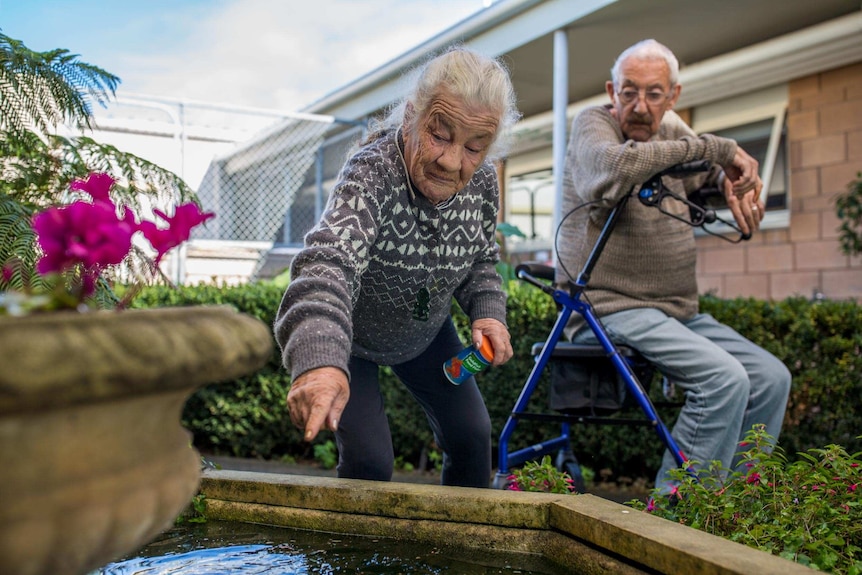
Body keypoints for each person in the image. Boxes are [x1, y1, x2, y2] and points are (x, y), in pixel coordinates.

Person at [273, 46, 520, 488]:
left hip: (426, 331)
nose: (451, 161)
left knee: (471, 436)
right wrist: (320, 361)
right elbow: (326, 261)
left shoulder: (482, 180)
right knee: (370, 461)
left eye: (474, 147)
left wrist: (487, 309)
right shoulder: (372, 172)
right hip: (351, 335)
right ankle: (351, 557)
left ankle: (461, 546)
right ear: (410, 117)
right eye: (439, 135)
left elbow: (481, 256)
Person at [557, 39, 791, 493]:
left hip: (677, 312)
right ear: (612, 90)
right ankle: (676, 516)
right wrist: (717, 149)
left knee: (769, 378)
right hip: (607, 307)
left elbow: (708, 170)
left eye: (654, 94)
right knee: (723, 379)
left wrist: (731, 180)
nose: (640, 107)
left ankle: (736, 509)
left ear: (673, 96)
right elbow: (614, 169)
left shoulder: (672, 136)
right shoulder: (593, 127)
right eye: (629, 92)